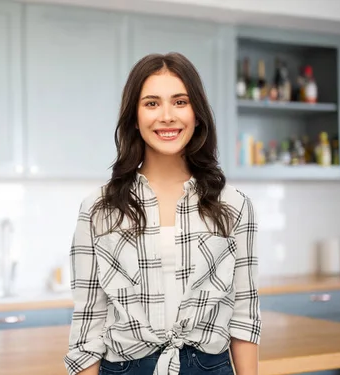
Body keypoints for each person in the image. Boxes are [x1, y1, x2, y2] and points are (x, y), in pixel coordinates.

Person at [63, 52, 261, 375]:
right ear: (134, 117)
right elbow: (88, 327)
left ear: (197, 114)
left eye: (180, 102)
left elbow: (244, 318)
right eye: (152, 103)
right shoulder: (98, 210)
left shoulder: (234, 206)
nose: (167, 116)